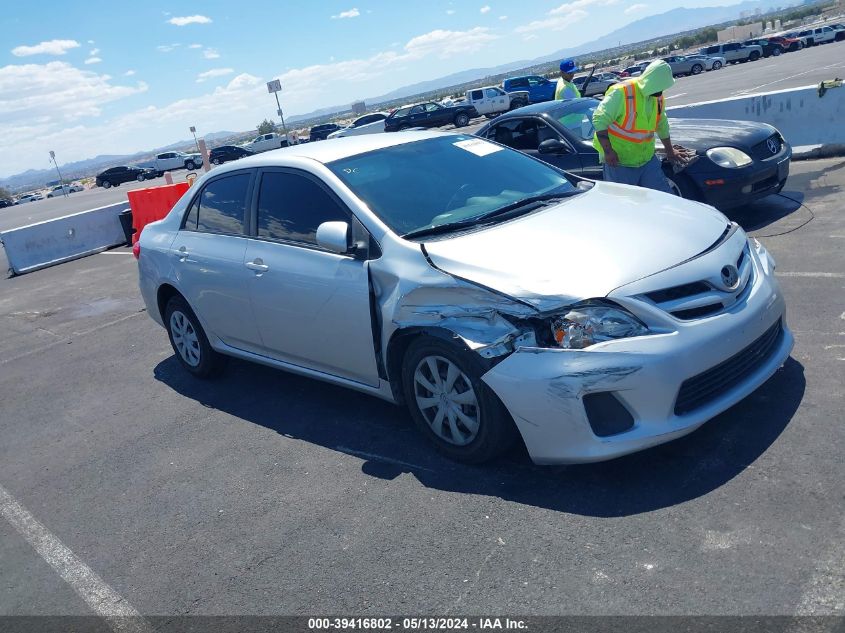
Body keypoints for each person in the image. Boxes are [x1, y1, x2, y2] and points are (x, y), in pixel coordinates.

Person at [591, 60, 682, 194]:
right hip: (620, 162)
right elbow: (599, 119)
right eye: (660, 86)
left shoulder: (658, 98)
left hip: (646, 159)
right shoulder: (622, 92)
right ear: (652, 82)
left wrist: (670, 150)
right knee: (626, 206)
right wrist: (608, 151)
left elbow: (662, 124)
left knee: (663, 197)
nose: (661, 91)